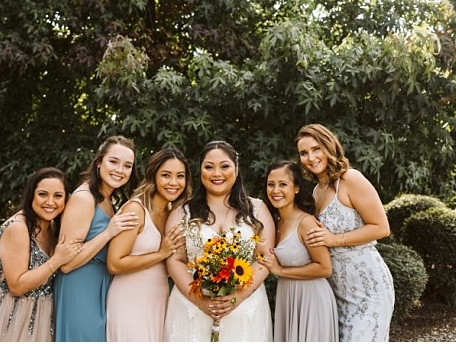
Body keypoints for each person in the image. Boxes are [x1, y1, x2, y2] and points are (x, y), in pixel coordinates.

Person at [163, 141, 274, 341]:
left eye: (224, 166)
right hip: (192, 308)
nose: (217, 173)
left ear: (236, 169)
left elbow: (264, 258)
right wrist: (200, 302)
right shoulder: (183, 212)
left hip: (245, 309)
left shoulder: (256, 209)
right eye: (209, 167)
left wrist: (237, 298)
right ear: (200, 171)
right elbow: (175, 260)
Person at [295, 123, 395, 341]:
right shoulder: (316, 191)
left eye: (316, 149)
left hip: (369, 290)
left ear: (329, 146)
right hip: (338, 293)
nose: (311, 157)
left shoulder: (350, 179)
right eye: (304, 153)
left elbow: (381, 227)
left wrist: (334, 239)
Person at [0, 168, 82, 341]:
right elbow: (16, 286)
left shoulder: (52, 228)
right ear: (31, 195)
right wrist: (57, 260)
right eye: (42, 194)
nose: (50, 202)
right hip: (6, 312)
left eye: (58, 196)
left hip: (38, 314)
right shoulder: (18, 228)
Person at [54, 136, 140, 341]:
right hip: (78, 287)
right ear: (99, 162)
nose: (120, 170)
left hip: (99, 286)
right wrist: (108, 233)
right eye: (113, 162)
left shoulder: (108, 200)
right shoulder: (84, 198)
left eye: (127, 165)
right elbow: (65, 264)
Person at [105, 148, 192, 341]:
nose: (174, 182)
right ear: (153, 176)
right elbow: (114, 264)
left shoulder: (174, 214)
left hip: (159, 300)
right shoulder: (135, 209)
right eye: (166, 175)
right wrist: (161, 254)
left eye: (180, 176)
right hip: (129, 301)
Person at [261, 161, 339, 342]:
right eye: (271, 184)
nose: (275, 190)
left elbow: (325, 268)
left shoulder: (306, 222)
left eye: (283, 184)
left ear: (296, 188)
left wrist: (280, 270)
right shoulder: (275, 222)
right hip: (287, 297)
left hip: (312, 300)